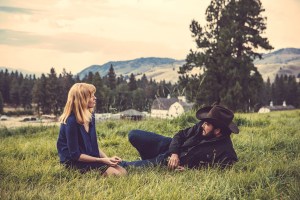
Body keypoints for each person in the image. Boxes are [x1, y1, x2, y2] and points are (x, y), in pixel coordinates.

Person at [120, 105, 239, 170]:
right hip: (171, 147)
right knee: (134, 134)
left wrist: (188, 169)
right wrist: (174, 152)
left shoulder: (225, 152)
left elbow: (219, 167)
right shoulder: (201, 126)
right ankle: (147, 160)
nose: (202, 125)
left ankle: (148, 163)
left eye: (207, 124)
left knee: (125, 166)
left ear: (218, 131)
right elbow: (180, 135)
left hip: (171, 161)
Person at [57, 83, 126, 176]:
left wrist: (108, 160)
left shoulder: (90, 116)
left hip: (89, 157)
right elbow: (75, 155)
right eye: (91, 96)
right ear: (81, 99)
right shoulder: (71, 121)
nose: (95, 98)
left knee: (123, 172)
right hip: (74, 162)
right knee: (117, 175)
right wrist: (101, 160)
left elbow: (94, 146)